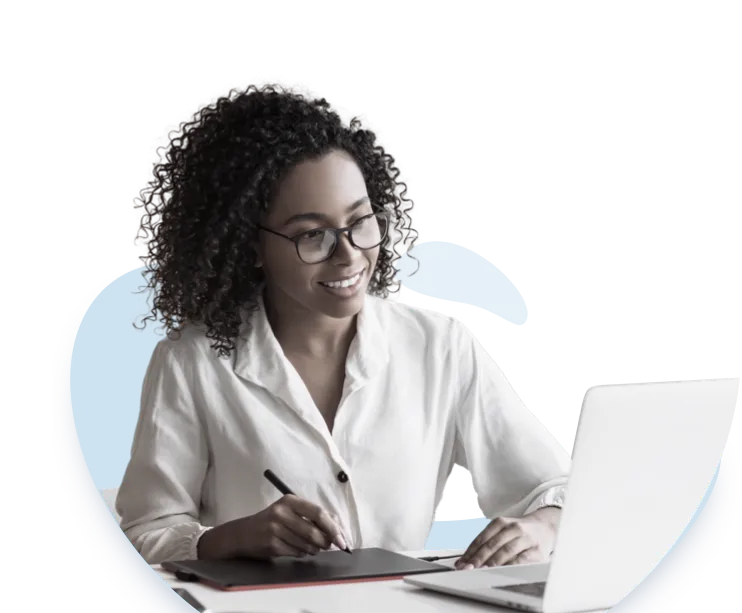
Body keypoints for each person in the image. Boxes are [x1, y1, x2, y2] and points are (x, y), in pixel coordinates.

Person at [118, 79, 570, 571]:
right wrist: (230, 539)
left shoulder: (440, 347)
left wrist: (540, 527)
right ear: (248, 246)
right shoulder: (194, 361)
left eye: (360, 221)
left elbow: (557, 487)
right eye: (313, 235)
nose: (350, 254)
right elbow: (145, 533)